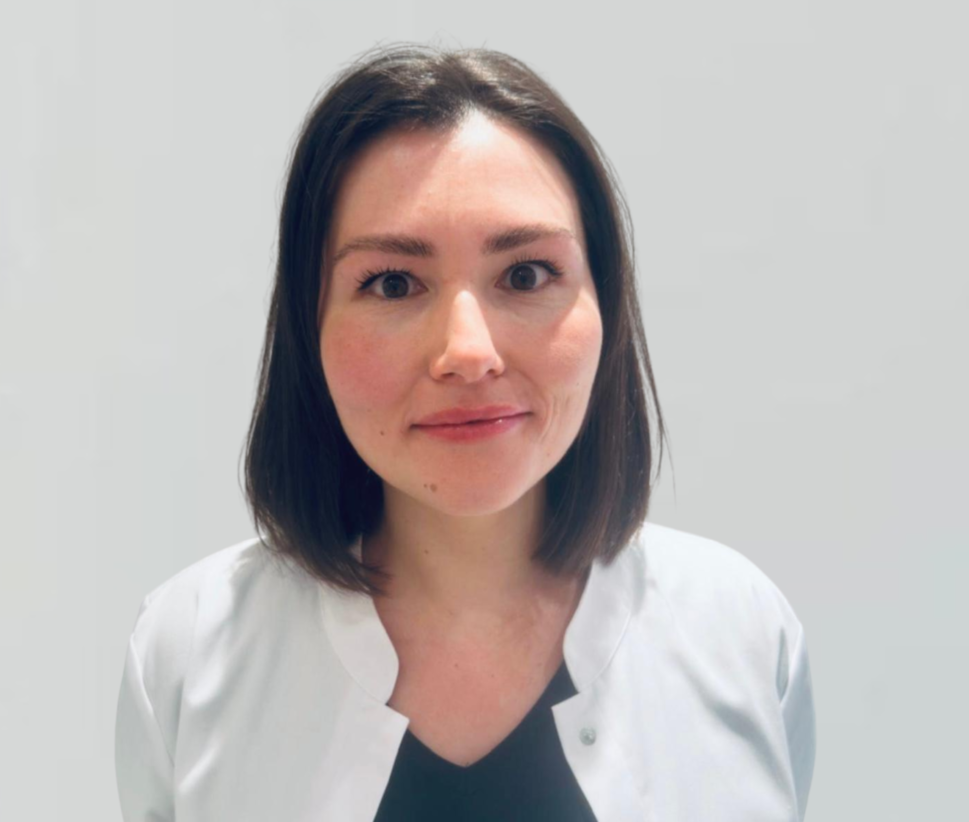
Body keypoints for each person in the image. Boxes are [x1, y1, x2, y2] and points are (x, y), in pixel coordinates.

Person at [114, 43, 816, 822]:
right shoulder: (190, 649)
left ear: (606, 304)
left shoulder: (740, 632)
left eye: (526, 274)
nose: (468, 352)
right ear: (309, 328)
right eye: (392, 283)